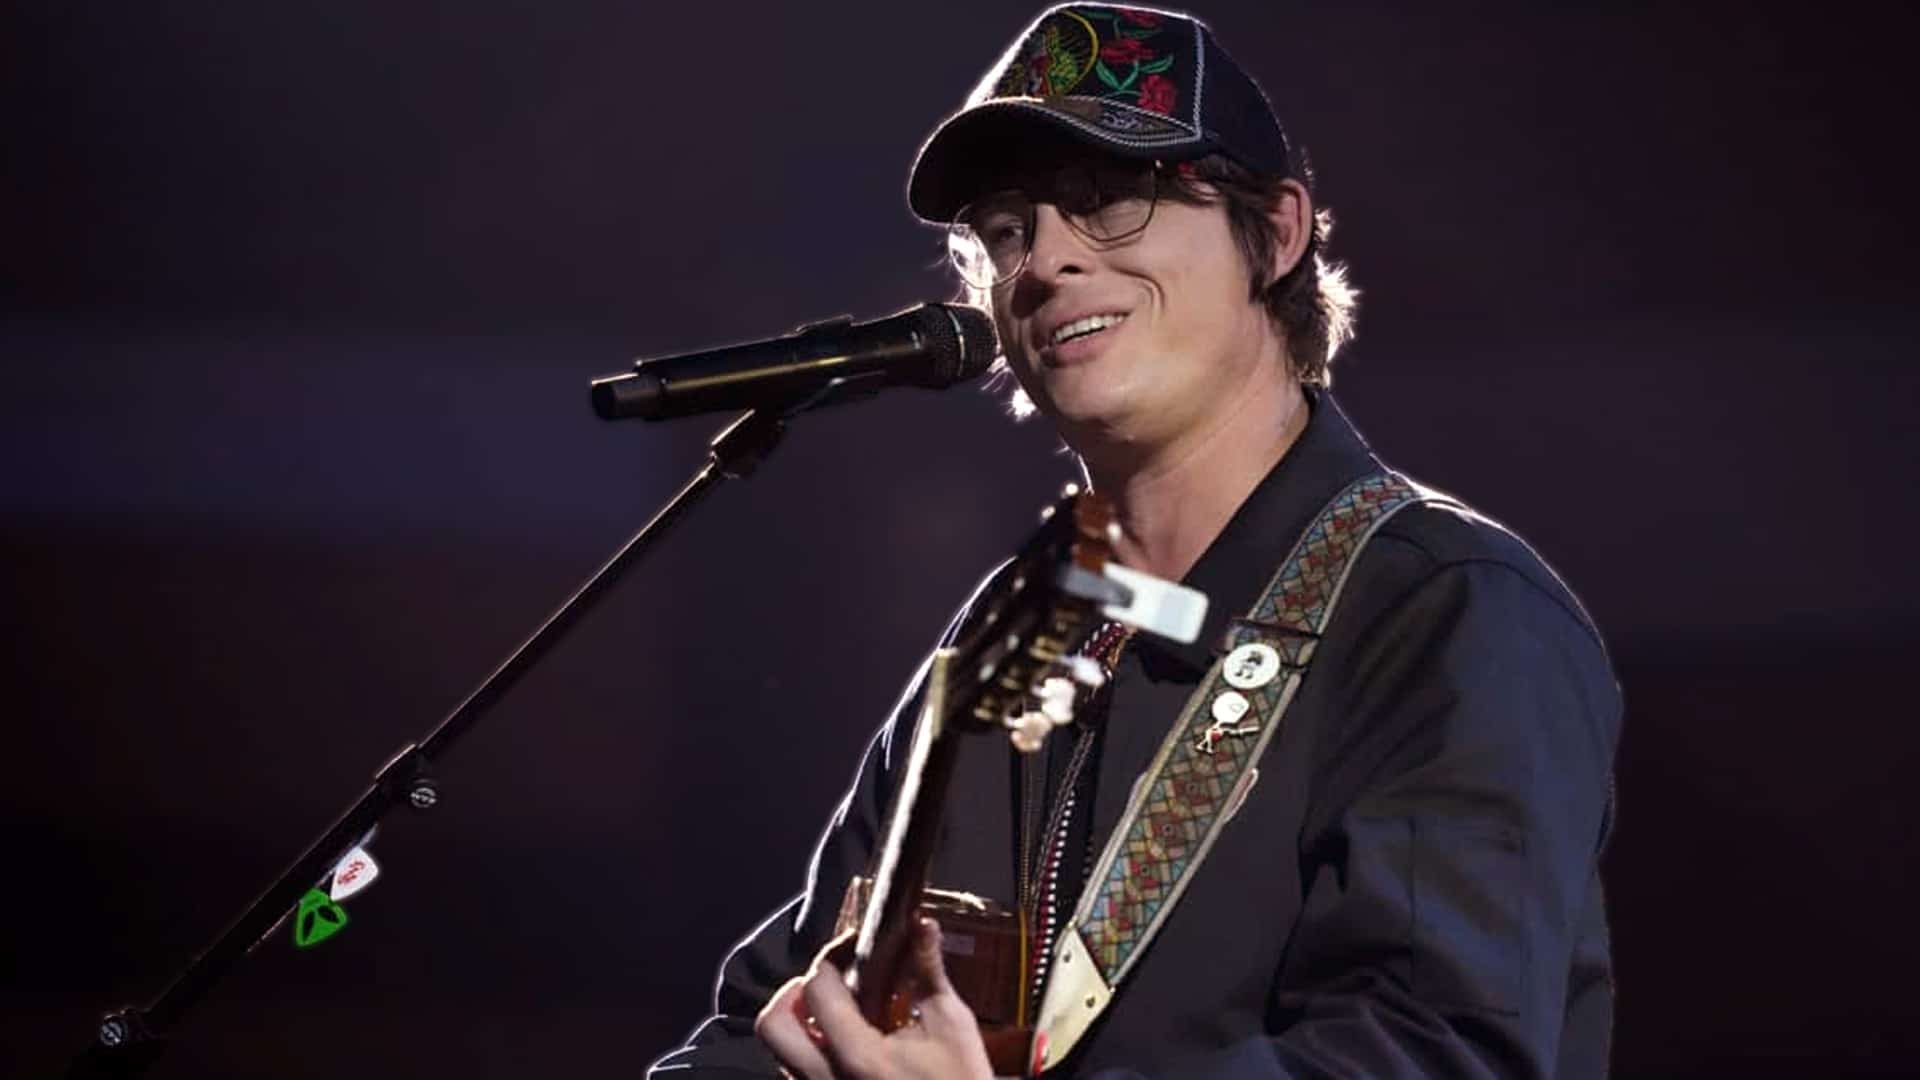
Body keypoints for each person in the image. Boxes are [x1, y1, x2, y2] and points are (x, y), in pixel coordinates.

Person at [650, 5, 1621, 1077]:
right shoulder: (1008, 643)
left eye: (1108, 200)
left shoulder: (1445, 607)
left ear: (1279, 232)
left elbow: (1432, 1054)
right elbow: (769, 1016)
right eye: (1007, 229)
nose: (1046, 261)